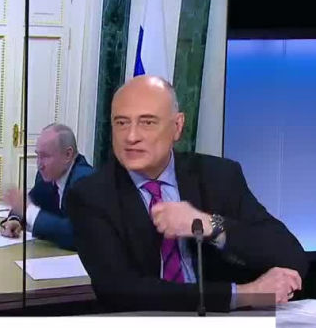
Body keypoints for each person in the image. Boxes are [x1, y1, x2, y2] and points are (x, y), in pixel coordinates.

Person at [66, 75, 309, 312]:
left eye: (147, 122)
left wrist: (208, 225)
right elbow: (121, 292)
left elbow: (290, 255)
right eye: (121, 123)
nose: (131, 136)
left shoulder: (219, 175)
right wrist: (245, 294)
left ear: (177, 126)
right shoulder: (91, 195)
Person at [0, 123, 95, 250]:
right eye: (37, 155)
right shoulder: (49, 175)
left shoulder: (86, 181)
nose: (39, 165)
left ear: (68, 155)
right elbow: (30, 201)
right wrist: (15, 219)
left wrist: (28, 210)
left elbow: (77, 234)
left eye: (45, 156)